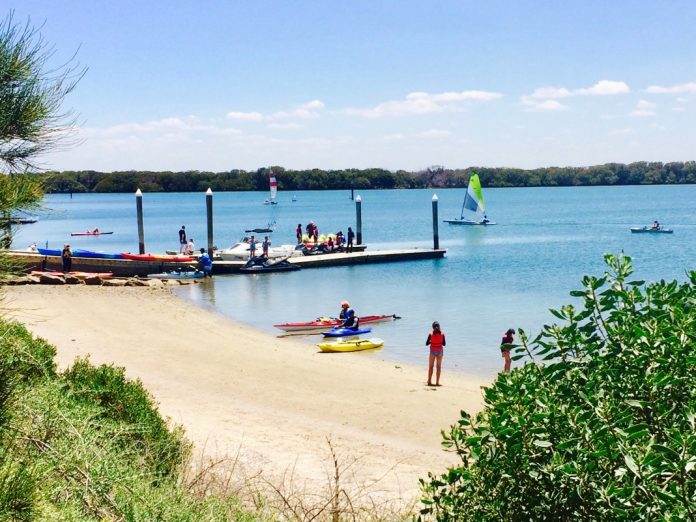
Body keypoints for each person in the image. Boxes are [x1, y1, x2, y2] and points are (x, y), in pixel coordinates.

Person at [425, 321, 446, 386]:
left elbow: (426, 344)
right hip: (439, 351)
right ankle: (437, 383)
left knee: (431, 367)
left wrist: (431, 342)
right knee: (438, 367)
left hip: (432, 352)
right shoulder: (442, 334)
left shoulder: (430, 334)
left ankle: (429, 382)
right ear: (439, 327)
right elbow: (444, 344)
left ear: (432, 327)